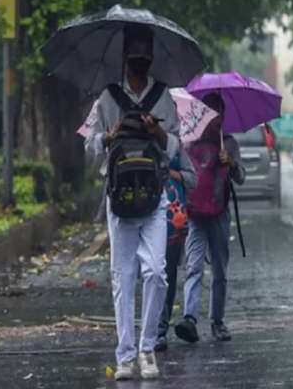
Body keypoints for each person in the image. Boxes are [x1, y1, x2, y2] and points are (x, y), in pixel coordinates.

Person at [83, 25, 195, 380]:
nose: (140, 64)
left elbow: (177, 145)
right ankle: (126, 356)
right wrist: (109, 136)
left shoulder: (163, 98)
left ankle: (147, 349)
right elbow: (89, 148)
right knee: (122, 277)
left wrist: (158, 133)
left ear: (151, 59)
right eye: (135, 58)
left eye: (145, 58)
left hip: (155, 197)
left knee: (157, 273)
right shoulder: (107, 99)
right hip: (119, 200)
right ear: (125, 58)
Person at [175, 92, 246, 344]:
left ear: (224, 115)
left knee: (219, 270)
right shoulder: (189, 141)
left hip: (219, 213)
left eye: (218, 112)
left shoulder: (229, 142)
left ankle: (218, 321)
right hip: (195, 213)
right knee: (193, 266)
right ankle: (190, 319)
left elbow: (241, 178)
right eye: (209, 111)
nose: (214, 117)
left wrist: (233, 164)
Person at [154, 150, 196, 352]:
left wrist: (173, 174)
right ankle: (150, 328)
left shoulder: (177, 149)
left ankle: (159, 331)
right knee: (150, 273)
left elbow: (192, 179)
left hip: (174, 223)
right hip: (144, 215)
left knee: (168, 274)